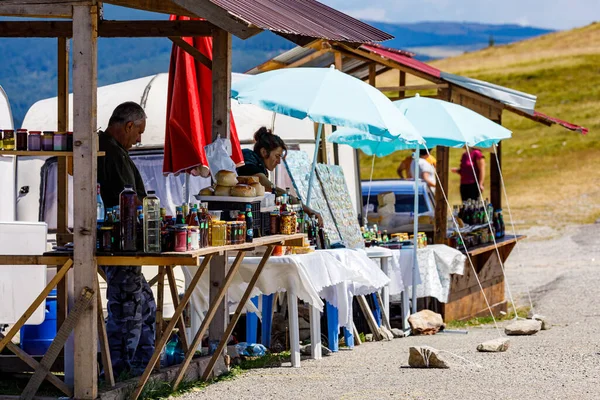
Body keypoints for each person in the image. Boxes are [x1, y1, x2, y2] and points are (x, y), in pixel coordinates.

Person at [97, 102, 156, 377]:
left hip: (121, 242)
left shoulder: (111, 149)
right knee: (128, 309)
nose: (139, 139)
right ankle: (118, 372)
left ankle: (142, 366)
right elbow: (127, 199)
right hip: (119, 243)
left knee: (142, 302)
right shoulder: (110, 152)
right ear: (129, 126)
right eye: (139, 132)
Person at [236, 127, 323, 226]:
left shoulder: (261, 167)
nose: (279, 162)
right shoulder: (248, 157)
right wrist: (307, 210)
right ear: (264, 152)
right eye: (277, 156)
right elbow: (270, 187)